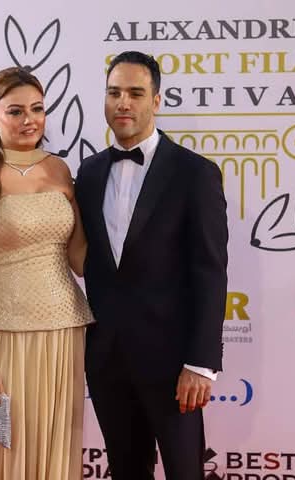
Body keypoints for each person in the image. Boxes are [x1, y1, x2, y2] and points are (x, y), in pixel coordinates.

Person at [75, 51, 229, 479]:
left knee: (185, 472)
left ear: (156, 101)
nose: (123, 103)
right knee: (126, 471)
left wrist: (200, 363)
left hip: (174, 364)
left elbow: (210, 272)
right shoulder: (89, 173)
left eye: (135, 93)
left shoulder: (194, 173)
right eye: (114, 93)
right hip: (107, 360)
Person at [0, 66, 94, 480]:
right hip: (1, 336)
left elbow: (80, 259)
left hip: (63, 332)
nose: (29, 119)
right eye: (15, 111)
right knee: (4, 449)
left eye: (37, 109)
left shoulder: (60, 169)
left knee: (52, 445)